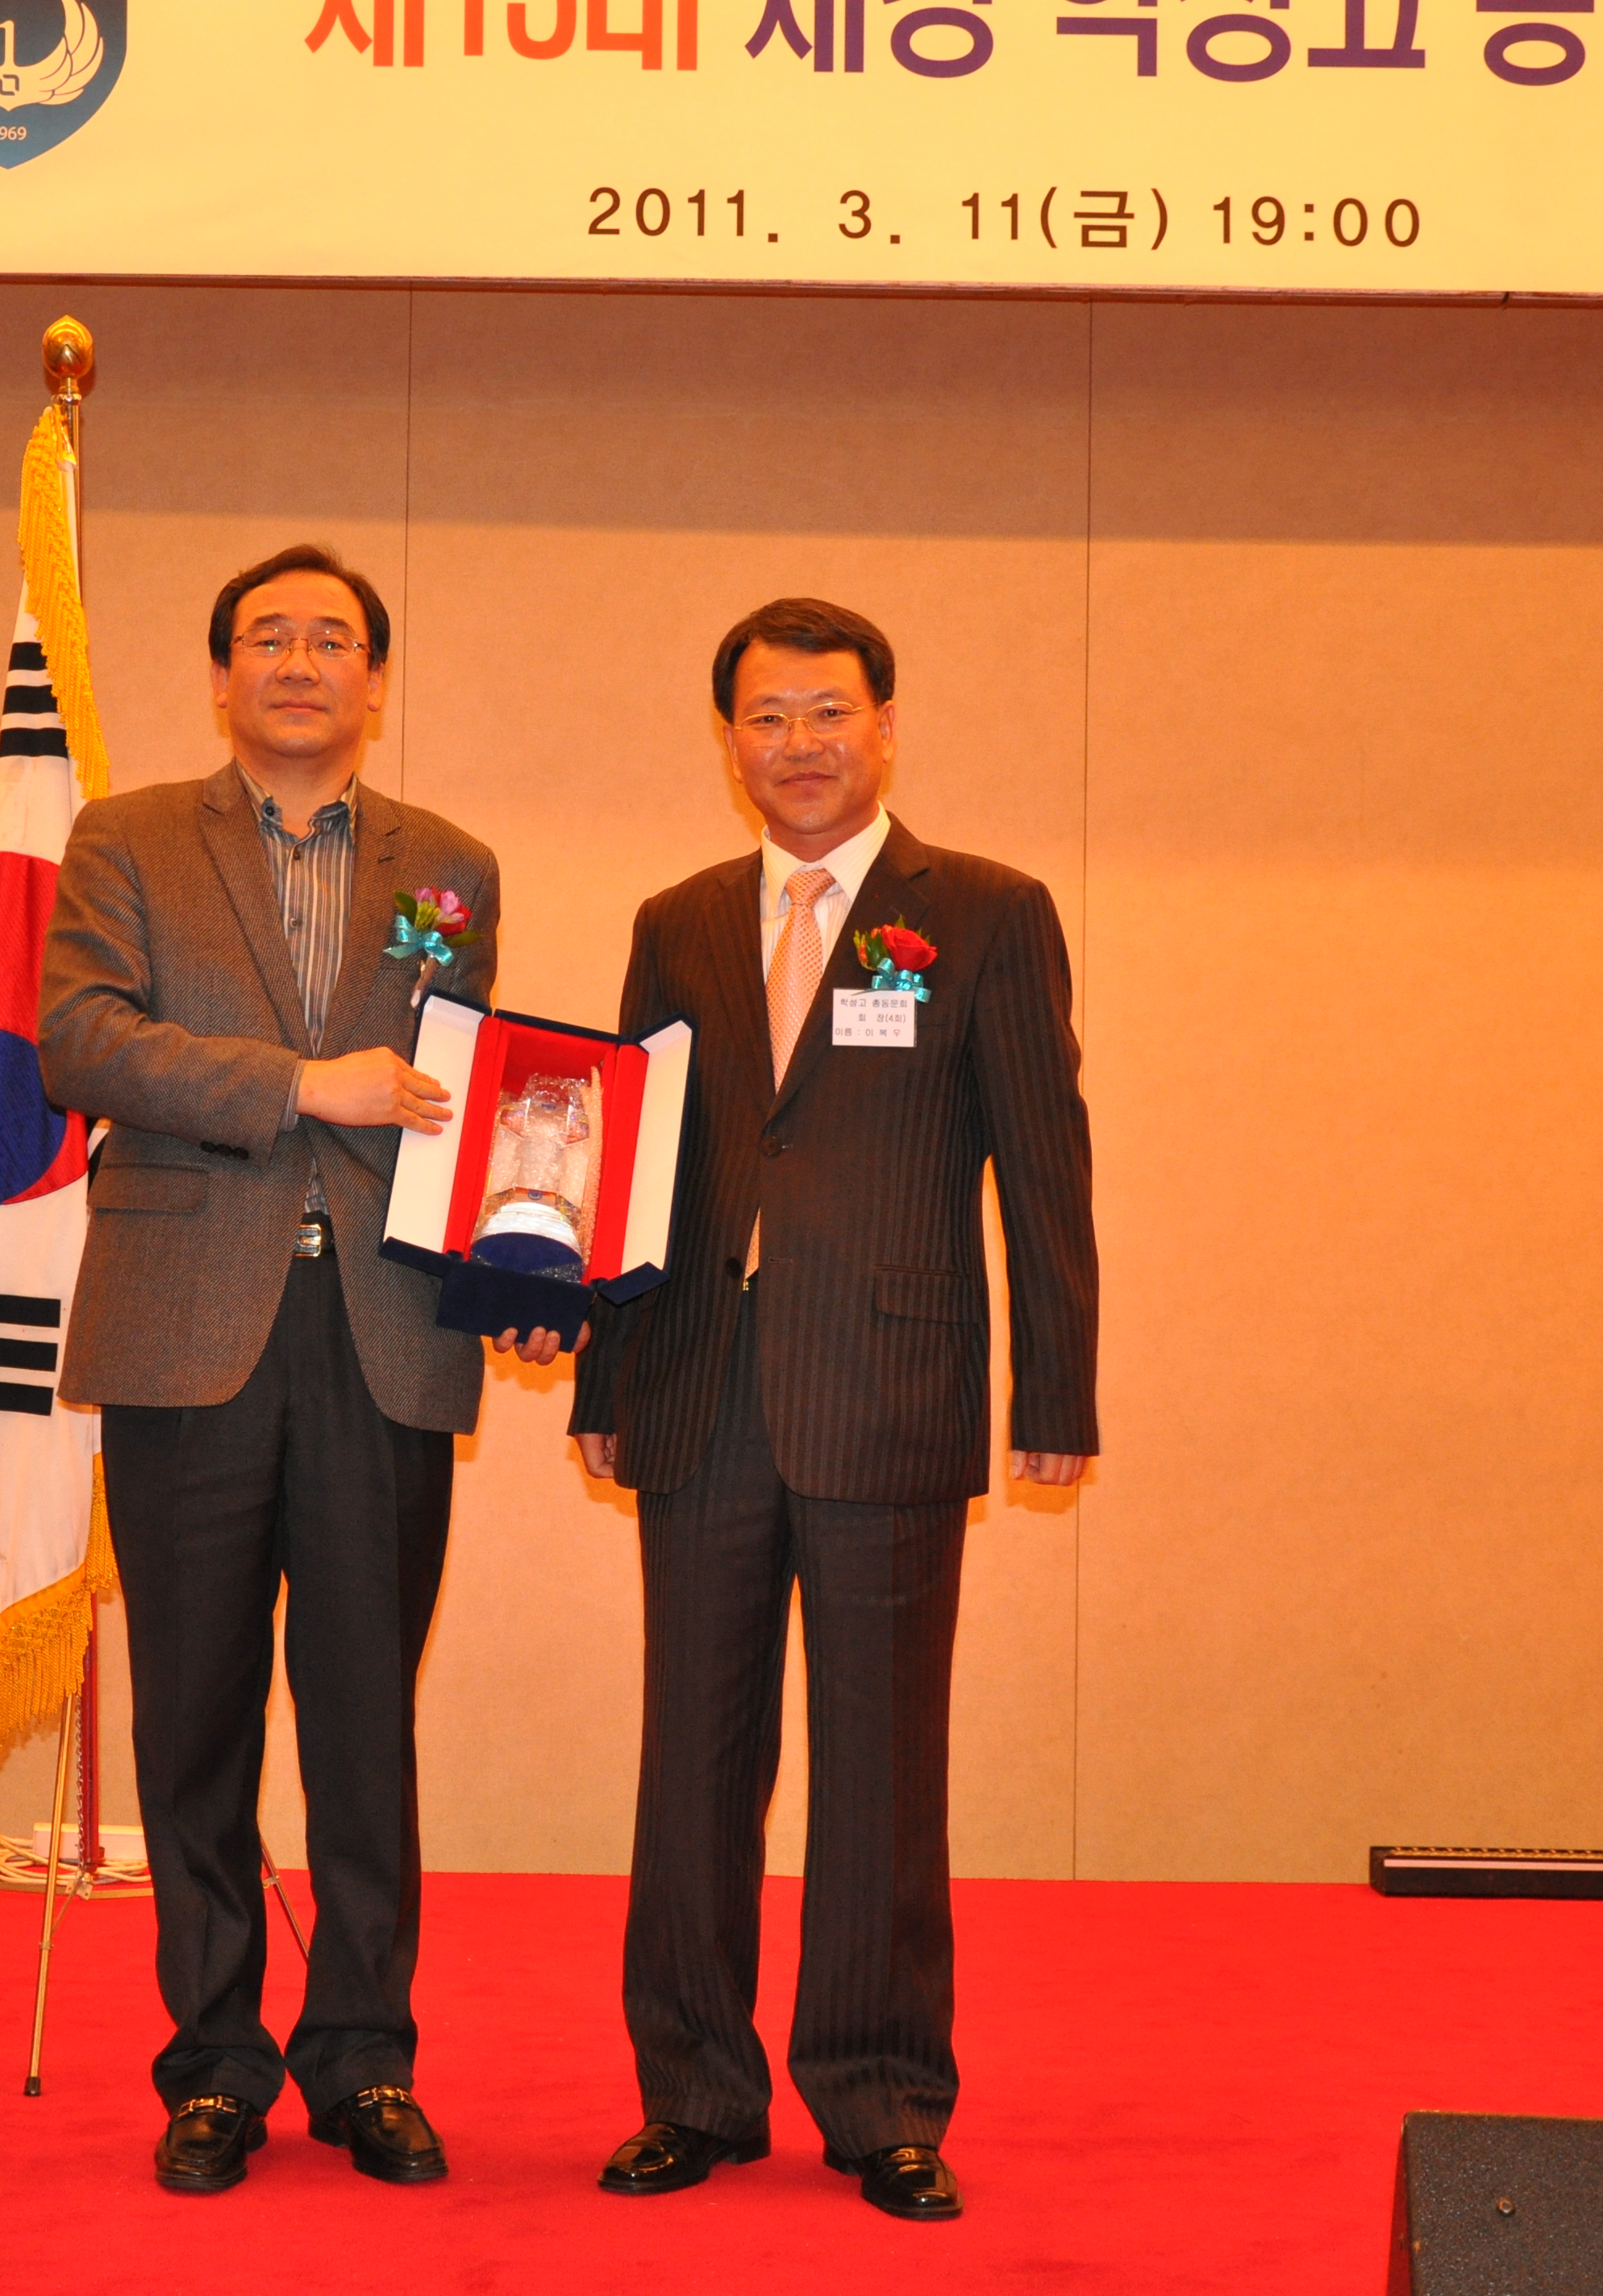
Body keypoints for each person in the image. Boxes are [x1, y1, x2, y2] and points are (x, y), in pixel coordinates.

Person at [568, 599, 1099, 2223]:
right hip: (697, 1393)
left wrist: (1054, 1384)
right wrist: (602, 1371)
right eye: (764, 717)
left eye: (825, 712)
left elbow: (1043, 1160)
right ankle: (692, 2090)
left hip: (889, 1390)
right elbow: (635, 1159)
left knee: (881, 1767)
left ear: (883, 725)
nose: (796, 745)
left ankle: (881, 2097)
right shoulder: (675, 921)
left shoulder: (986, 913)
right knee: (691, 1759)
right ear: (726, 738)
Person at [40, 543, 552, 2197]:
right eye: (268, 636)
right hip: (185, 1324)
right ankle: (211, 2066)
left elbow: (481, 1095)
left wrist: (527, 1265)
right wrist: (297, 1084)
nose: (299, 661)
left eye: (332, 638)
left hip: (384, 1337)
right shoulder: (125, 838)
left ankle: (363, 2058)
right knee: (191, 1720)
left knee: (362, 1724)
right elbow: (80, 1039)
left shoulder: (448, 866)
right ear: (220, 676)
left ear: (372, 681)